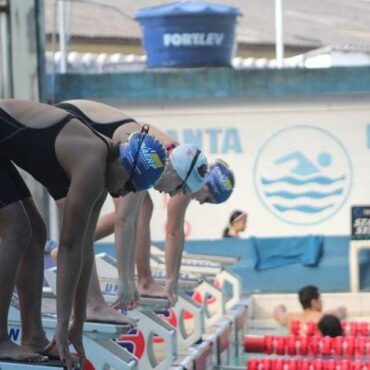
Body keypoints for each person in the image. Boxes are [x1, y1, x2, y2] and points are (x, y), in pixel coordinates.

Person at [0, 99, 167, 369]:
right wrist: (63, 326)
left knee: (35, 233)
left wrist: (78, 322)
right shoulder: (91, 163)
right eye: (128, 186)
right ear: (124, 167)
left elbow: (82, 248)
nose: (123, 194)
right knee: (17, 229)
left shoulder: (104, 167)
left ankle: (33, 337)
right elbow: (67, 248)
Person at [48, 99, 208, 322]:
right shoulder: (145, 160)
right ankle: (94, 304)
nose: (174, 195)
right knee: (86, 218)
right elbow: (125, 221)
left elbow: (130, 220)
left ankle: (99, 300)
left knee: (109, 213)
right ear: (175, 172)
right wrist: (126, 280)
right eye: (179, 188)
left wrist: (131, 279)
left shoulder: (157, 158)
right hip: (61, 128)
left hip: (70, 129)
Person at [273, 285, 346, 333]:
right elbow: (341, 312)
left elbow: (277, 312)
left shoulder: (290, 318)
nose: (322, 302)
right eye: (320, 299)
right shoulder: (325, 316)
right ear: (314, 302)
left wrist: (281, 306)